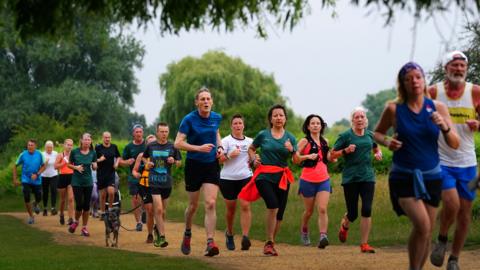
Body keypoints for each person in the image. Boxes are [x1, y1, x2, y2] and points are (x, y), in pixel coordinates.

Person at [374, 62, 459, 270]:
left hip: (432, 176)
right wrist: (388, 142)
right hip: (404, 176)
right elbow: (376, 134)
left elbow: (455, 143)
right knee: (423, 225)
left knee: (427, 231)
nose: (414, 81)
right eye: (409, 78)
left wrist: (445, 127)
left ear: (424, 80)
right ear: (403, 84)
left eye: (418, 77)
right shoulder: (393, 109)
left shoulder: (437, 108)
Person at [428, 51, 480, 270]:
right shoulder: (433, 92)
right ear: (445, 68)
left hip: (467, 161)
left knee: (465, 212)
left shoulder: (475, 92)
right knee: (452, 203)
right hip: (441, 160)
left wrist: (479, 124)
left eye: (462, 66)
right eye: (454, 65)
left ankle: (454, 258)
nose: (459, 69)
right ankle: (441, 239)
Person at [239, 104, 298, 256]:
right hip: (264, 175)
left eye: (281, 115)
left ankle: (270, 242)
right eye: (275, 115)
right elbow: (251, 149)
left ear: (285, 119)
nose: (278, 118)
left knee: (280, 213)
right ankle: (270, 243)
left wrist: (292, 150)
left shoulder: (290, 137)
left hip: (282, 177)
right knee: (273, 205)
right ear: (271, 119)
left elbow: (296, 160)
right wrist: (253, 160)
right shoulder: (263, 135)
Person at [174, 87, 224, 257]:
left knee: (210, 203)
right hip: (194, 164)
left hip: (211, 164)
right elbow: (178, 143)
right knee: (193, 206)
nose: (205, 102)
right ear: (197, 102)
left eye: (208, 99)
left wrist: (220, 147)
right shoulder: (188, 119)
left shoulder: (216, 117)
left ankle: (210, 242)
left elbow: (216, 133)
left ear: (212, 101)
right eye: (202, 99)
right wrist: (198, 148)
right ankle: (187, 231)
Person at [330, 107, 382, 253]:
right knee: (353, 214)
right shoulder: (345, 136)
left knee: (367, 209)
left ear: (366, 120)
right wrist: (345, 151)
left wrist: (378, 154)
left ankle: (364, 244)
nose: (359, 119)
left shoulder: (370, 135)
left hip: (367, 177)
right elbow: (331, 155)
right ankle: (345, 224)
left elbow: (376, 148)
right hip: (350, 178)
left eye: (362, 117)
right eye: (356, 117)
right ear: (352, 120)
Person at [294, 114, 333, 249]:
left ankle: (323, 236)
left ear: (321, 126)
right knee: (309, 211)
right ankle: (304, 230)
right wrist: (307, 156)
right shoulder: (304, 141)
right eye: (313, 123)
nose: (316, 125)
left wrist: (333, 157)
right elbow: (295, 158)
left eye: (318, 123)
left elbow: (327, 157)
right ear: (308, 126)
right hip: (308, 180)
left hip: (324, 179)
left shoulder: (325, 141)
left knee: (322, 208)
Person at [141, 123, 182, 248]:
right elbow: (144, 158)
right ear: (157, 132)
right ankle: (162, 237)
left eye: (166, 131)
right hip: (154, 181)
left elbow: (179, 162)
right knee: (157, 209)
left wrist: (174, 161)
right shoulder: (151, 145)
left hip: (167, 183)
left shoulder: (173, 146)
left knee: (163, 212)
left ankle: (157, 229)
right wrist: (147, 164)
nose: (164, 134)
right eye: (162, 131)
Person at [218, 114, 253, 251]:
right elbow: (219, 160)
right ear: (231, 126)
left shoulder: (250, 141)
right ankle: (230, 233)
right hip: (227, 178)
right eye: (235, 123)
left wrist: (254, 160)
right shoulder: (226, 141)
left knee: (245, 205)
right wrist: (228, 155)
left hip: (245, 177)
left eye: (240, 123)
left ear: (243, 125)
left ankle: (245, 237)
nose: (238, 125)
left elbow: (252, 158)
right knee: (231, 209)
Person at [67, 133, 98, 236]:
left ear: (90, 141)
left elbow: (94, 165)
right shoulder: (75, 152)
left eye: (89, 140)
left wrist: (95, 166)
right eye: (85, 140)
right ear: (81, 140)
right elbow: (69, 164)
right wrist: (76, 168)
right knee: (79, 204)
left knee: (86, 206)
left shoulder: (93, 152)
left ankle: (84, 228)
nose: (87, 141)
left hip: (88, 182)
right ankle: (76, 221)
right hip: (77, 182)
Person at [119, 124, 146, 231]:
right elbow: (120, 161)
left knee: (145, 199)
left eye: (140, 132)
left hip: (147, 176)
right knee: (135, 199)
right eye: (137, 132)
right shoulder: (129, 147)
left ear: (143, 133)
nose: (138, 134)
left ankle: (144, 211)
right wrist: (127, 162)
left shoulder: (147, 144)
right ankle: (138, 222)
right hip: (133, 177)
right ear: (133, 134)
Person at [12, 139, 46, 224]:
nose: (30, 146)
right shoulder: (23, 154)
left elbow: (43, 166)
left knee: (39, 196)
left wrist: (37, 174)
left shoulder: (39, 154)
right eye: (28, 145)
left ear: (35, 146)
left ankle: (35, 203)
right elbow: (15, 166)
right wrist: (15, 179)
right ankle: (31, 216)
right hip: (26, 179)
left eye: (32, 145)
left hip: (36, 180)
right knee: (26, 196)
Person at [133, 134, 157, 244]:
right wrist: (137, 174)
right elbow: (134, 170)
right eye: (150, 143)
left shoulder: (160, 154)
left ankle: (158, 228)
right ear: (146, 144)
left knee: (159, 210)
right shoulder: (141, 155)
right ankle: (150, 234)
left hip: (159, 184)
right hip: (145, 185)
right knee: (150, 210)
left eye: (154, 142)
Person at [95, 131, 120, 218]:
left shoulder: (114, 147)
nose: (107, 139)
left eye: (109, 137)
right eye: (105, 137)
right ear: (102, 138)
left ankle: (109, 210)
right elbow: (93, 160)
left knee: (111, 192)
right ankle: (102, 212)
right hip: (101, 174)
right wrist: (100, 160)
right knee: (102, 195)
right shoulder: (98, 148)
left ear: (110, 138)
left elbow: (118, 157)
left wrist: (116, 163)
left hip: (111, 173)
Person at [54, 139, 75, 225]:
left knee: (70, 199)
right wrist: (64, 161)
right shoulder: (60, 155)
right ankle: (62, 214)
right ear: (64, 145)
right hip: (62, 177)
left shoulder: (74, 154)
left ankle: (71, 218)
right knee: (62, 200)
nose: (69, 146)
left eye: (71, 145)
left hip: (71, 177)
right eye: (68, 145)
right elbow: (55, 166)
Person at [41, 140, 59, 216]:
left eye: (51, 147)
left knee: (54, 190)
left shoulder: (55, 154)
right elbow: (40, 166)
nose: (49, 149)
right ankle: (45, 208)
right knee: (45, 192)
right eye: (48, 147)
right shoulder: (42, 154)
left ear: (53, 147)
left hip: (54, 175)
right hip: (44, 175)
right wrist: (45, 162)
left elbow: (58, 163)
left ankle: (53, 208)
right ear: (45, 147)